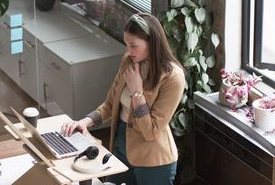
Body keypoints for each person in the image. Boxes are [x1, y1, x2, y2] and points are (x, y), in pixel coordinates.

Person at [62, 13, 185, 185]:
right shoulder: (128, 61)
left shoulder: (173, 77)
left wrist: (137, 92)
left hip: (153, 160)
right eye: (126, 44)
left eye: (133, 45)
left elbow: (151, 132)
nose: (128, 51)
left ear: (152, 43)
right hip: (121, 147)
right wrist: (86, 121)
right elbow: (111, 104)